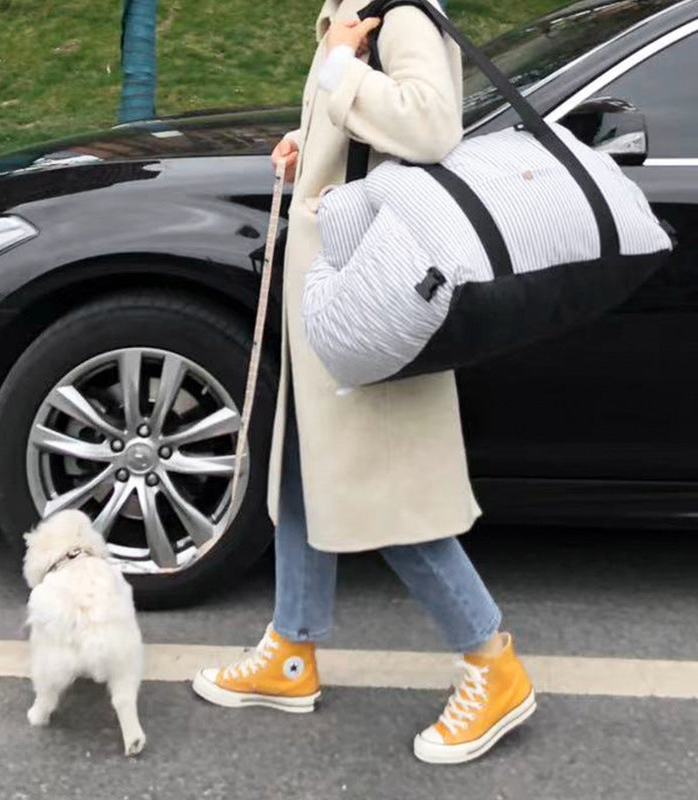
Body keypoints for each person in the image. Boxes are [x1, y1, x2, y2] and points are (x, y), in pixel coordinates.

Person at [193, 0, 536, 764]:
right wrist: (313, 139)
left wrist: (342, 66)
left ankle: (493, 665)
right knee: (304, 467)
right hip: (336, 287)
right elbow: (369, 130)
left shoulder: (397, 12)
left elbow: (431, 127)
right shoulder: (352, 9)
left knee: (382, 485)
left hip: (369, 291)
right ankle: (292, 648)